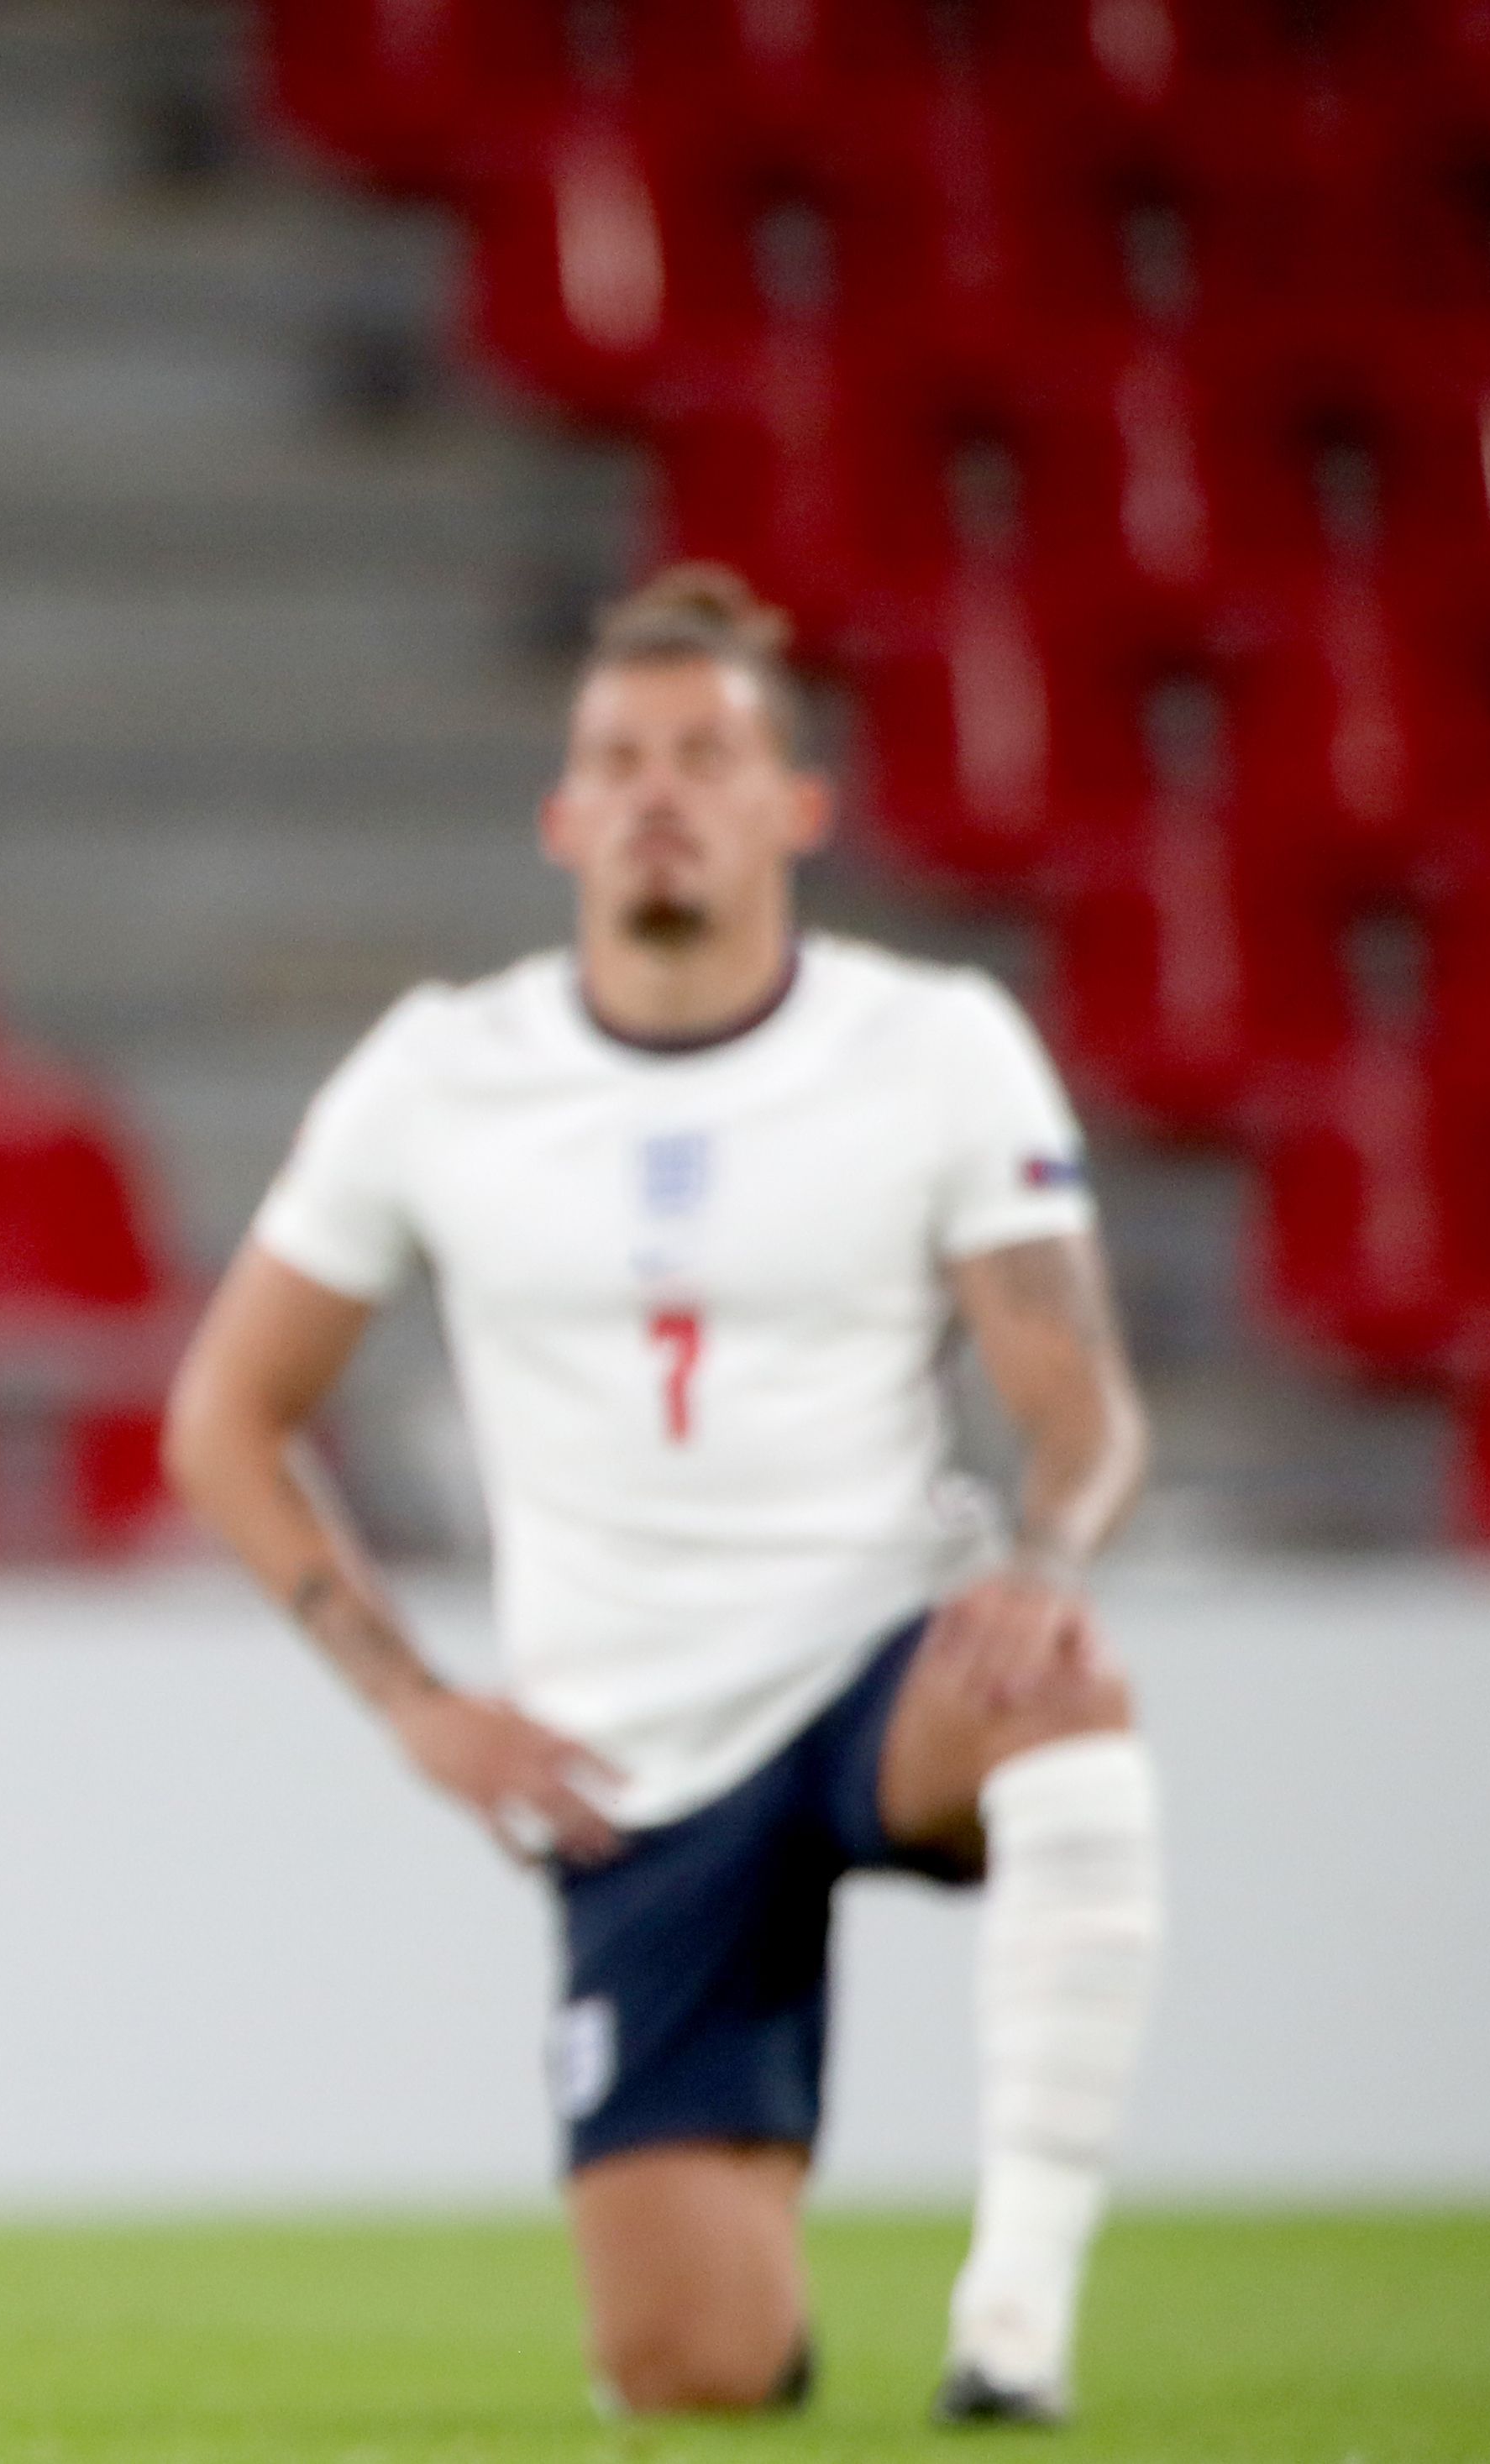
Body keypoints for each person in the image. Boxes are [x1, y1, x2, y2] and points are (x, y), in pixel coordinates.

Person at [162, 568, 1162, 2426]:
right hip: (629, 1771)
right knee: (686, 2370)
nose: (654, 791)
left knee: (1059, 1694)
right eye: (614, 757)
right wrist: (412, 1705)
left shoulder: (930, 1045)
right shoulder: (440, 1075)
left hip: (876, 1659)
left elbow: (1079, 1404)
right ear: (557, 818)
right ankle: (751, 2280)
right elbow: (225, 1415)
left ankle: (1011, 2319)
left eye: (705, 754)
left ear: (794, 807)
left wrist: (1040, 1558)